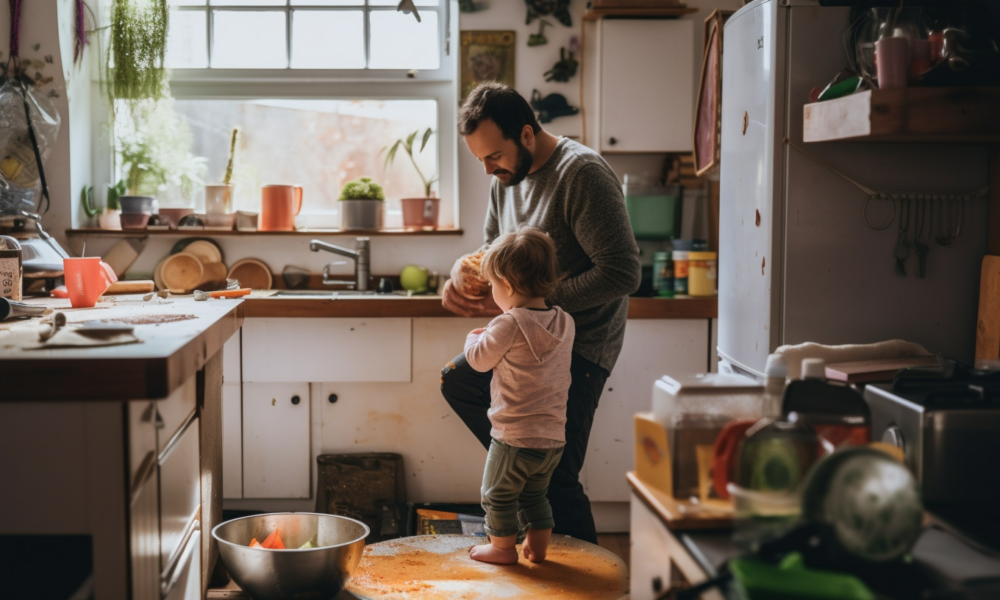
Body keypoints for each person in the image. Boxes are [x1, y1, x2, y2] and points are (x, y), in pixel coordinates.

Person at [440, 82, 641, 544]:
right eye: (481, 161)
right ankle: (526, 506)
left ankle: (594, 587)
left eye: (494, 156)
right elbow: (492, 252)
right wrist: (458, 271)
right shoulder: (504, 182)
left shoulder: (582, 173)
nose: (490, 170)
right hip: (524, 339)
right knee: (460, 382)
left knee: (557, 477)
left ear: (527, 135)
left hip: (579, 345)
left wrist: (536, 308)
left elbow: (623, 272)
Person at [464, 227, 574, 565]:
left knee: (496, 496)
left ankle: (501, 549)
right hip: (552, 438)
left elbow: (479, 361)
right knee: (535, 495)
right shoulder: (565, 322)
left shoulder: (507, 324)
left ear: (508, 285)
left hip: (514, 437)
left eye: (493, 285)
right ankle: (538, 547)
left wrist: (472, 337)